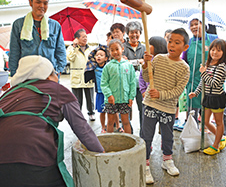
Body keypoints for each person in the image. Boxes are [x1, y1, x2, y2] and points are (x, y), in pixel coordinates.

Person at [0, 55, 104, 187]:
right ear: (47, 76)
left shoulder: (10, 93)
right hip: (35, 154)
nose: (57, 78)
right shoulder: (59, 91)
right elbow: (82, 129)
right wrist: (102, 154)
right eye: (55, 73)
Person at [142, 28, 190, 184]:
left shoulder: (184, 68)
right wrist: (145, 65)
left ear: (185, 47)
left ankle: (167, 159)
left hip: (168, 107)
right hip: (150, 103)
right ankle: (145, 163)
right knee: (146, 135)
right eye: (170, 41)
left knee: (168, 136)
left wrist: (161, 95)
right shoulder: (158, 59)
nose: (172, 45)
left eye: (177, 42)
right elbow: (146, 77)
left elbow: (178, 91)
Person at [180, 17, 226, 145]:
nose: (194, 27)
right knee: (193, 111)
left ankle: (224, 135)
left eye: (197, 24)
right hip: (194, 80)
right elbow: (184, 60)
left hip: (213, 82)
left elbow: (223, 55)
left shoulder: (213, 38)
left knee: (219, 113)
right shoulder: (189, 42)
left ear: (204, 25)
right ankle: (195, 137)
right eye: (191, 25)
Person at [9, 0, 66, 77]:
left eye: (45, 3)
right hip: (27, 75)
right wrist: (14, 75)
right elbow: (14, 53)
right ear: (30, 3)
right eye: (38, 2)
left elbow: (61, 52)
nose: (42, 6)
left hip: (49, 75)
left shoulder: (55, 26)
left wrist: (57, 71)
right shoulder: (18, 25)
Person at [189, 39, 226, 155]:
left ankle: (216, 145)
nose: (215, 52)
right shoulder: (208, 65)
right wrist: (196, 93)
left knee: (219, 122)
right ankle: (220, 137)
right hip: (207, 97)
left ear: (223, 53)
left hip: (217, 98)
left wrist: (203, 73)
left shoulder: (221, 67)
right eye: (213, 49)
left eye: (218, 50)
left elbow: (214, 83)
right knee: (205, 121)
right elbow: (203, 82)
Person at [101, 39, 136, 134]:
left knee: (126, 122)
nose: (115, 52)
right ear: (109, 52)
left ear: (122, 49)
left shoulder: (128, 65)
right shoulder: (108, 66)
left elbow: (133, 82)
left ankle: (129, 142)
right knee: (110, 122)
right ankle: (110, 142)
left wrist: (131, 97)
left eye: (117, 49)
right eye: (112, 50)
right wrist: (109, 95)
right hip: (111, 100)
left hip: (125, 99)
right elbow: (104, 83)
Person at [139, 36, 168, 136]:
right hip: (148, 99)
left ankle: (164, 142)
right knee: (146, 125)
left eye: (150, 44)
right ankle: (146, 143)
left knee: (164, 124)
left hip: (162, 99)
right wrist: (143, 91)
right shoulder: (148, 61)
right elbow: (142, 78)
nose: (147, 46)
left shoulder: (165, 62)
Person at [67, 29, 95, 121]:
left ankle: (91, 113)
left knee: (90, 97)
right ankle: (78, 115)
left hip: (88, 75)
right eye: (83, 37)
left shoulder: (90, 49)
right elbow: (70, 58)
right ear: (77, 38)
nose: (85, 38)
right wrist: (74, 47)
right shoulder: (71, 48)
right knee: (77, 99)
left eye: (86, 36)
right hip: (77, 76)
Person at [123, 21, 146, 133]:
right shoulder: (123, 47)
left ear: (140, 33)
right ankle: (129, 134)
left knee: (143, 109)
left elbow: (146, 62)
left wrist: (130, 62)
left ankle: (144, 133)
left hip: (141, 84)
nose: (134, 35)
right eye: (131, 32)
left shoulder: (144, 47)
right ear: (127, 33)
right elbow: (123, 63)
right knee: (126, 109)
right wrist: (138, 61)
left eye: (136, 32)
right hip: (127, 83)